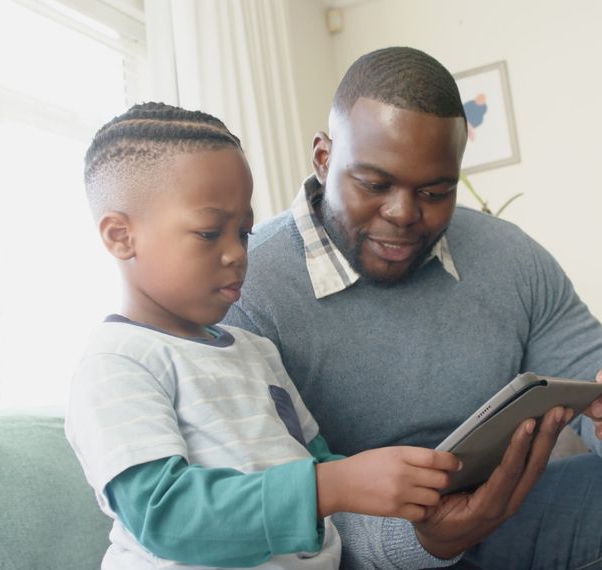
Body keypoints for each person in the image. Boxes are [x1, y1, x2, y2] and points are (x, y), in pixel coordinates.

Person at [224, 47, 602, 568]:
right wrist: (422, 540)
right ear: (324, 157)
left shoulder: (507, 256)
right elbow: (262, 505)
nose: (402, 214)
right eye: (374, 184)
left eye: (434, 192)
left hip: (503, 518)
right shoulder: (246, 287)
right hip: (356, 551)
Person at [64, 102, 475, 569]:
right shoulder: (118, 363)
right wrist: (334, 485)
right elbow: (167, 517)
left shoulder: (256, 352)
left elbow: (315, 462)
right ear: (120, 236)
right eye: (208, 233)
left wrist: (399, 483)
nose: (237, 254)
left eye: (243, 232)